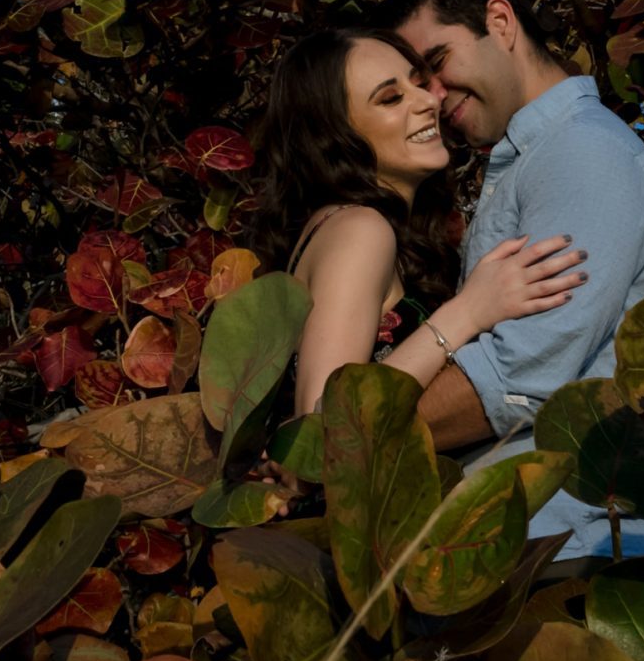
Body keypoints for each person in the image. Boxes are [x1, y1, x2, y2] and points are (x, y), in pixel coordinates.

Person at [387, 0, 644, 559]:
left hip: (574, 549)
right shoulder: (541, 155)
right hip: (532, 542)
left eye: (438, 64)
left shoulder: (582, 154)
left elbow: (518, 381)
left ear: (500, 22)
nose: (435, 98)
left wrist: (349, 444)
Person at [250, 25, 589, 424]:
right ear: (335, 135)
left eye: (418, 83)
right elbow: (317, 430)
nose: (428, 101)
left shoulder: (354, 227)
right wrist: (467, 312)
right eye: (391, 98)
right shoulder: (359, 231)